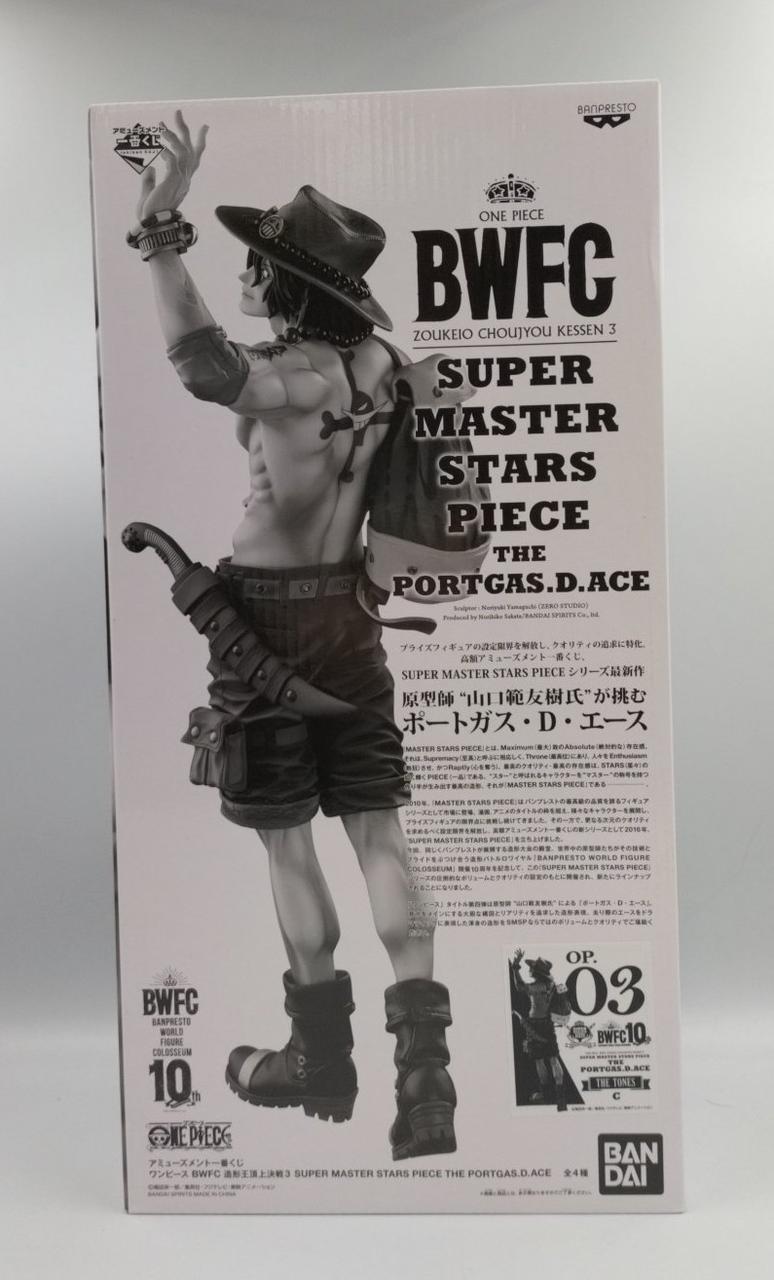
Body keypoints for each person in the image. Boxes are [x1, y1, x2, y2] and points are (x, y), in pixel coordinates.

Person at [127, 110, 465, 1159]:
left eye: (257, 260)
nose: (245, 273)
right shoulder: (384, 364)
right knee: (379, 831)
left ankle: (320, 1061)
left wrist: (161, 235)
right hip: (352, 617)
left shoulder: (301, 372)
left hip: (268, 623)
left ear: (287, 280)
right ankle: (429, 1084)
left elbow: (201, 365)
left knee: (289, 840)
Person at [509, 949, 571, 1112]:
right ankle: (560, 1098)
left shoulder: (536, 987)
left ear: (536, 972)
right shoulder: (551, 985)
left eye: (531, 968)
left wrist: (515, 968)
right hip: (547, 1023)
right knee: (553, 1058)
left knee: (539, 1060)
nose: (529, 969)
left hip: (535, 1024)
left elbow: (519, 986)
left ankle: (548, 1095)